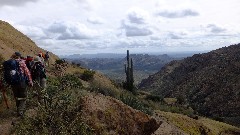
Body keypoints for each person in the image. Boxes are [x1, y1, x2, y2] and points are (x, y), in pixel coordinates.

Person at [3, 52, 33, 117]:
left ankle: (18, 110)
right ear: (19, 56)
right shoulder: (22, 62)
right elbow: (27, 73)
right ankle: (20, 111)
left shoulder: (9, 62)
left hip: (13, 83)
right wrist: (30, 82)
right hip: (21, 82)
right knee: (23, 97)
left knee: (17, 97)